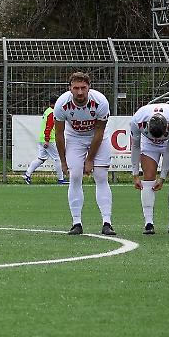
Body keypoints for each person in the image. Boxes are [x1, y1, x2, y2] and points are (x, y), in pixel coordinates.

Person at [54, 71, 115, 236]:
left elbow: (99, 132)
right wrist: (63, 161)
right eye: (76, 88)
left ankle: (107, 222)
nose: (79, 92)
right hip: (75, 138)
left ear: (89, 88)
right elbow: (59, 134)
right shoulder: (61, 104)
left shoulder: (100, 102)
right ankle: (76, 223)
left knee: (101, 176)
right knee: (75, 177)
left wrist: (90, 160)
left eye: (83, 88)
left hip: (97, 137)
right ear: (70, 89)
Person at [129, 102, 169, 234]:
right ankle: (148, 223)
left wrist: (162, 178)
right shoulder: (137, 120)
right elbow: (136, 147)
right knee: (148, 179)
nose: (159, 139)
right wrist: (135, 174)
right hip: (148, 144)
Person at [23, 95, 67, 184]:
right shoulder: (52, 112)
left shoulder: (47, 111)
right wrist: (47, 140)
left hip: (43, 138)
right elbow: (49, 127)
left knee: (41, 158)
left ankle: (27, 174)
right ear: (57, 103)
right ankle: (61, 179)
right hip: (49, 139)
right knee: (57, 158)